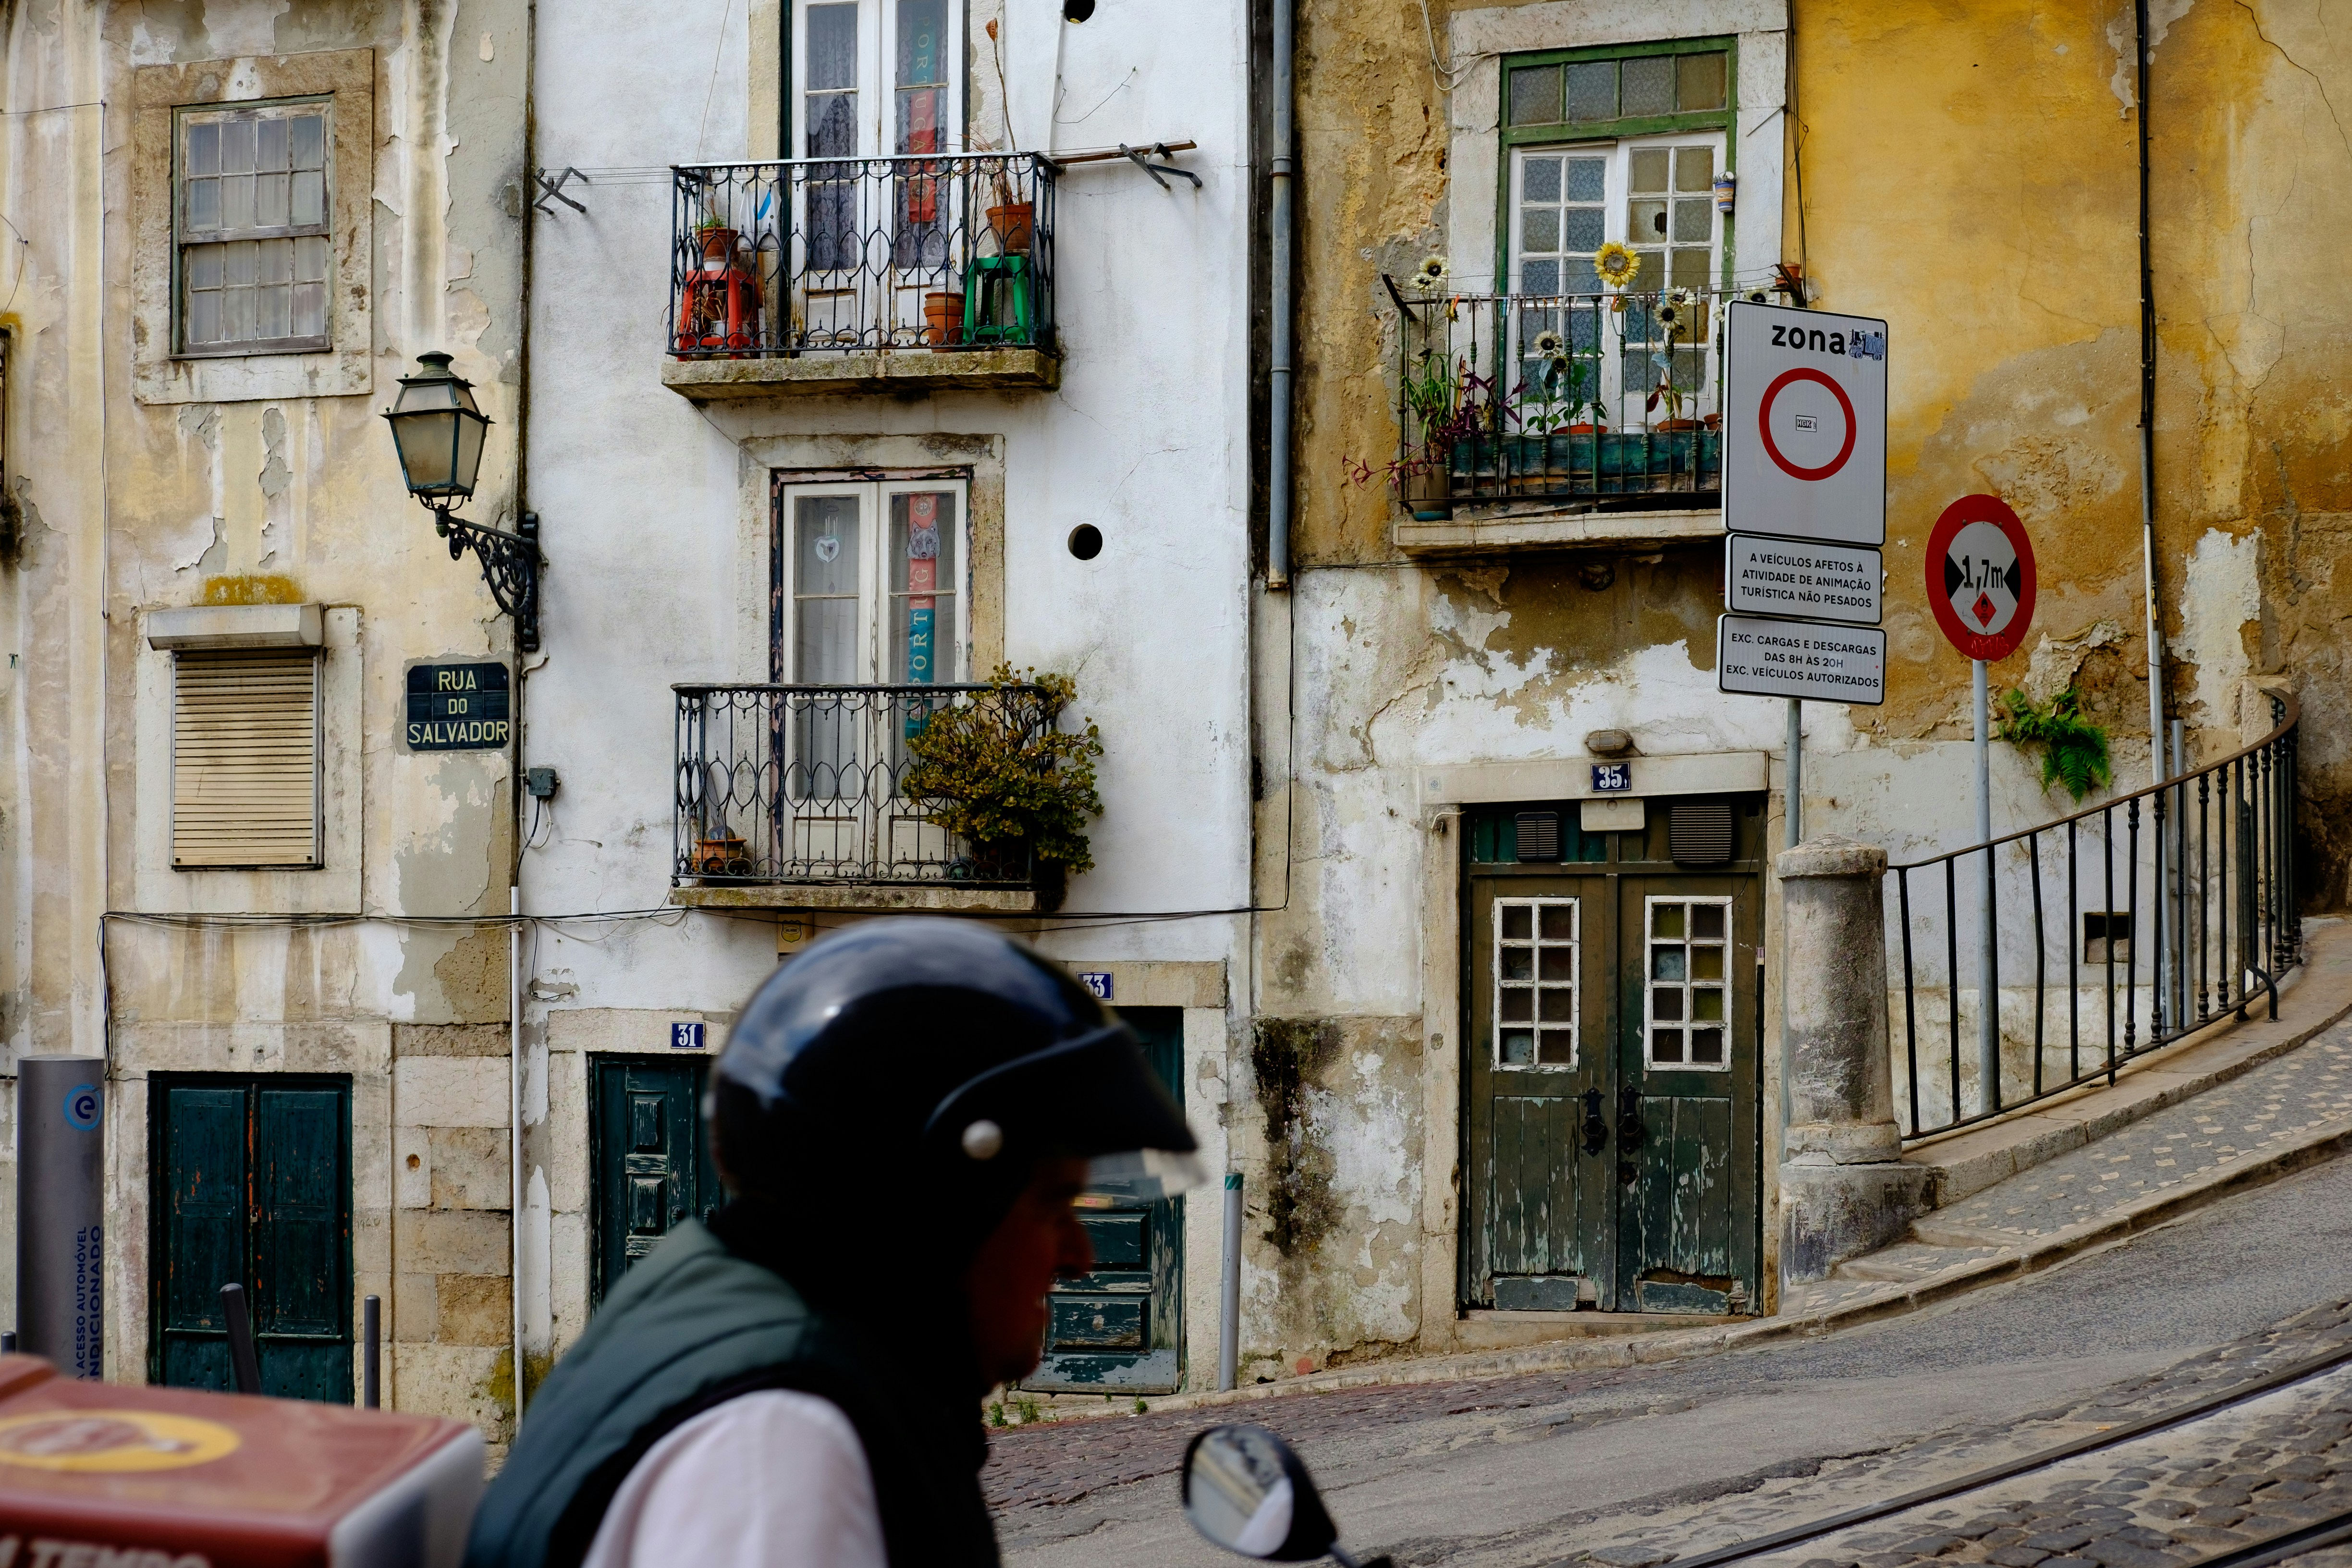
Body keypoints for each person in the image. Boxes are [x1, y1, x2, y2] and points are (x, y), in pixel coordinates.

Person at [464, 918, 1200, 1568]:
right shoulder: (778, 1449)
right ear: (932, 1206)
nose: (1082, 1256)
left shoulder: (732, 1318)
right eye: (1051, 1208)